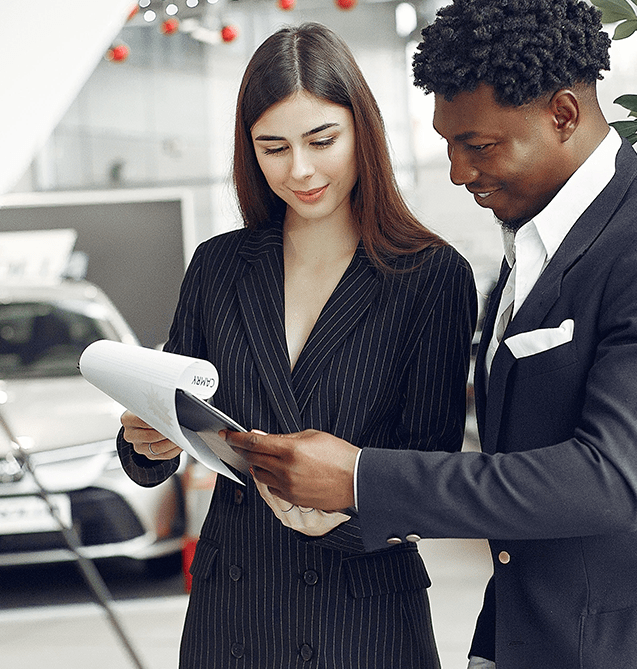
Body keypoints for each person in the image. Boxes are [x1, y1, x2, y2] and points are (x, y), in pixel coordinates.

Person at [226, 1, 637, 668]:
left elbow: (610, 482)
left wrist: (360, 477)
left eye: (480, 145)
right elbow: (522, 497)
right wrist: (493, 645)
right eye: (448, 144)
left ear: (563, 115)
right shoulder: (534, 246)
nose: (459, 172)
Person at [115, 22, 476, 668]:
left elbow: (430, 474)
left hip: (363, 620)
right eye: (273, 147)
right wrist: (145, 442)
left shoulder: (430, 276)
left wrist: (334, 509)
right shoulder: (219, 267)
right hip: (234, 615)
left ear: (362, 130)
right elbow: (160, 439)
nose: (300, 169)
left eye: (321, 140)